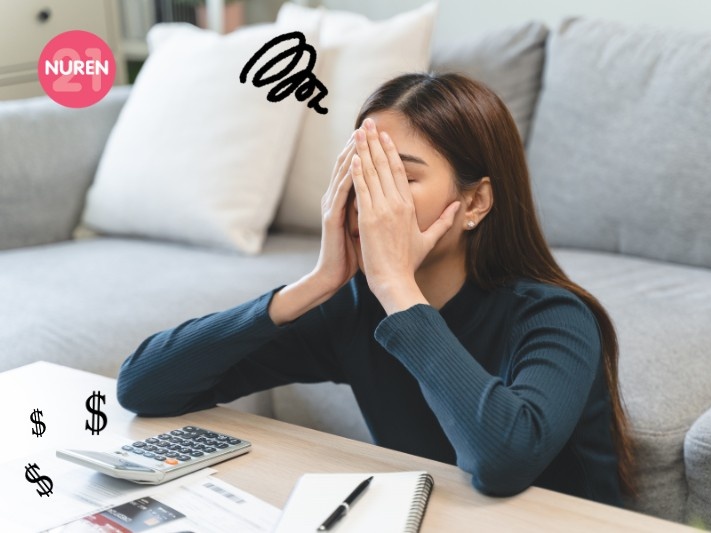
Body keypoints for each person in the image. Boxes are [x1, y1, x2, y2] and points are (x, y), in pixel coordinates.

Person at [117, 72, 635, 504]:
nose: (370, 199)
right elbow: (145, 387)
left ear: (475, 204)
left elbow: (501, 464)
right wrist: (315, 284)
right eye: (362, 174)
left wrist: (396, 287)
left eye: (399, 179)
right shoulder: (355, 309)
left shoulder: (554, 317)